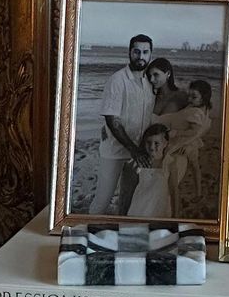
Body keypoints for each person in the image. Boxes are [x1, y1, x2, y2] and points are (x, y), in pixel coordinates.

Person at [89, 33, 155, 215]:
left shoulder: (151, 82)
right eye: (136, 52)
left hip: (139, 152)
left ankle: (122, 236)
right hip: (115, 151)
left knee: (129, 200)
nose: (141, 56)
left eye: (145, 52)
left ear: (151, 54)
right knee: (103, 199)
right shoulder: (117, 80)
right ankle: (83, 233)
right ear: (129, 53)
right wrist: (134, 149)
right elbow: (112, 120)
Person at [162, 79, 213, 215]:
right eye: (189, 96)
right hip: (192, 142)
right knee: (195, 166)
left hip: (188, 142)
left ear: (204, 97)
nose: (190, 99)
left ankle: (196, 193)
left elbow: (194, 131)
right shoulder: (204, 108)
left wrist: (177, 133)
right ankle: (198, 192)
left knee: (184, 166)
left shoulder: (196, 112)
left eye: (194, 97)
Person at [128, 123, 172, 218]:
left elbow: (174, 191)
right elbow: (130, 190)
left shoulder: (169, 163)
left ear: (165, 143)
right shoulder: (140, 163)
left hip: (160, 208)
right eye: (148, 142)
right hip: (140, 209)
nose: (152, 147)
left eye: (156, 143)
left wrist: (175, 217)